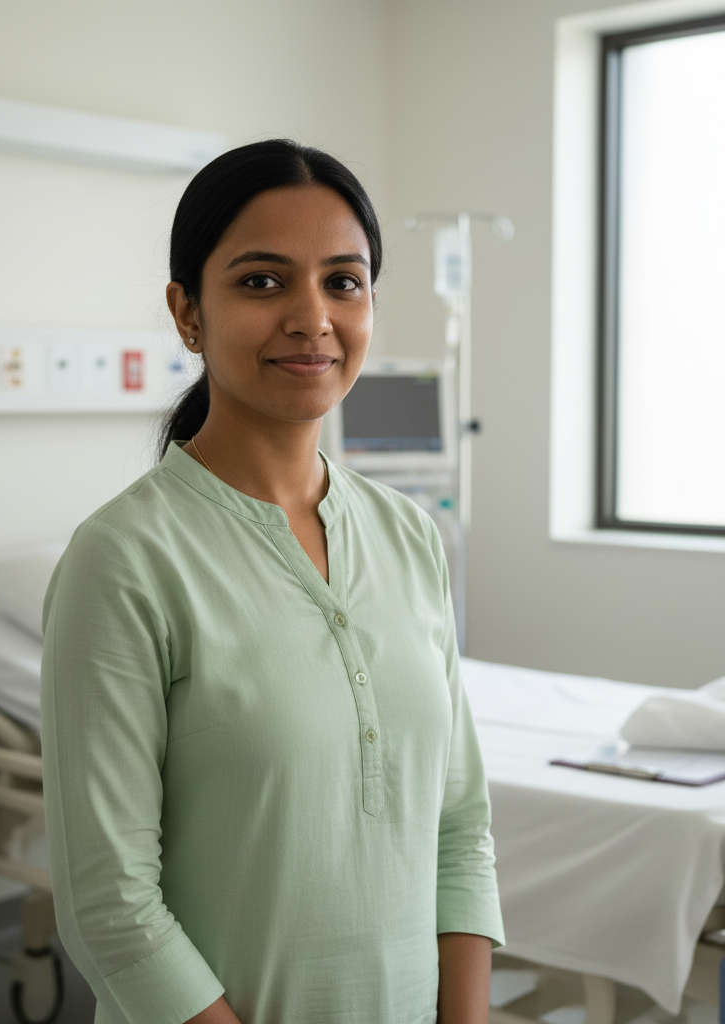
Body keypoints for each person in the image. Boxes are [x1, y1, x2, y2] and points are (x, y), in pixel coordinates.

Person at [41, 139, 504, 1024]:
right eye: (261, 282)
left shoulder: (411, 537)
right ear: (187, 313)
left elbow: (460, 829)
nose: (312, 317)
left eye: (344, 281)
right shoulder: (125, 560)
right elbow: (110, 908)